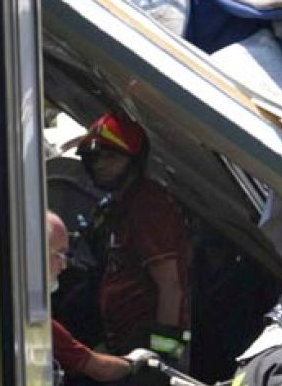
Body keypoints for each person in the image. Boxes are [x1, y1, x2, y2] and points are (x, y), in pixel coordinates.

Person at [70, 112, 192, 364]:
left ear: (134, 161)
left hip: (149, 351)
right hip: (124, 347)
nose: (100, 165)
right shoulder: (116, 208)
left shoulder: (149, 205)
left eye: (111, 157)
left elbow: (170, 286)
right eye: (95, 158)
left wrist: (161, 359)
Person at [48, 211, 159, 386]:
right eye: (59, 255)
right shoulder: (35, 322)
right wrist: (133, 363)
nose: (64, 266)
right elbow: (96, 367)